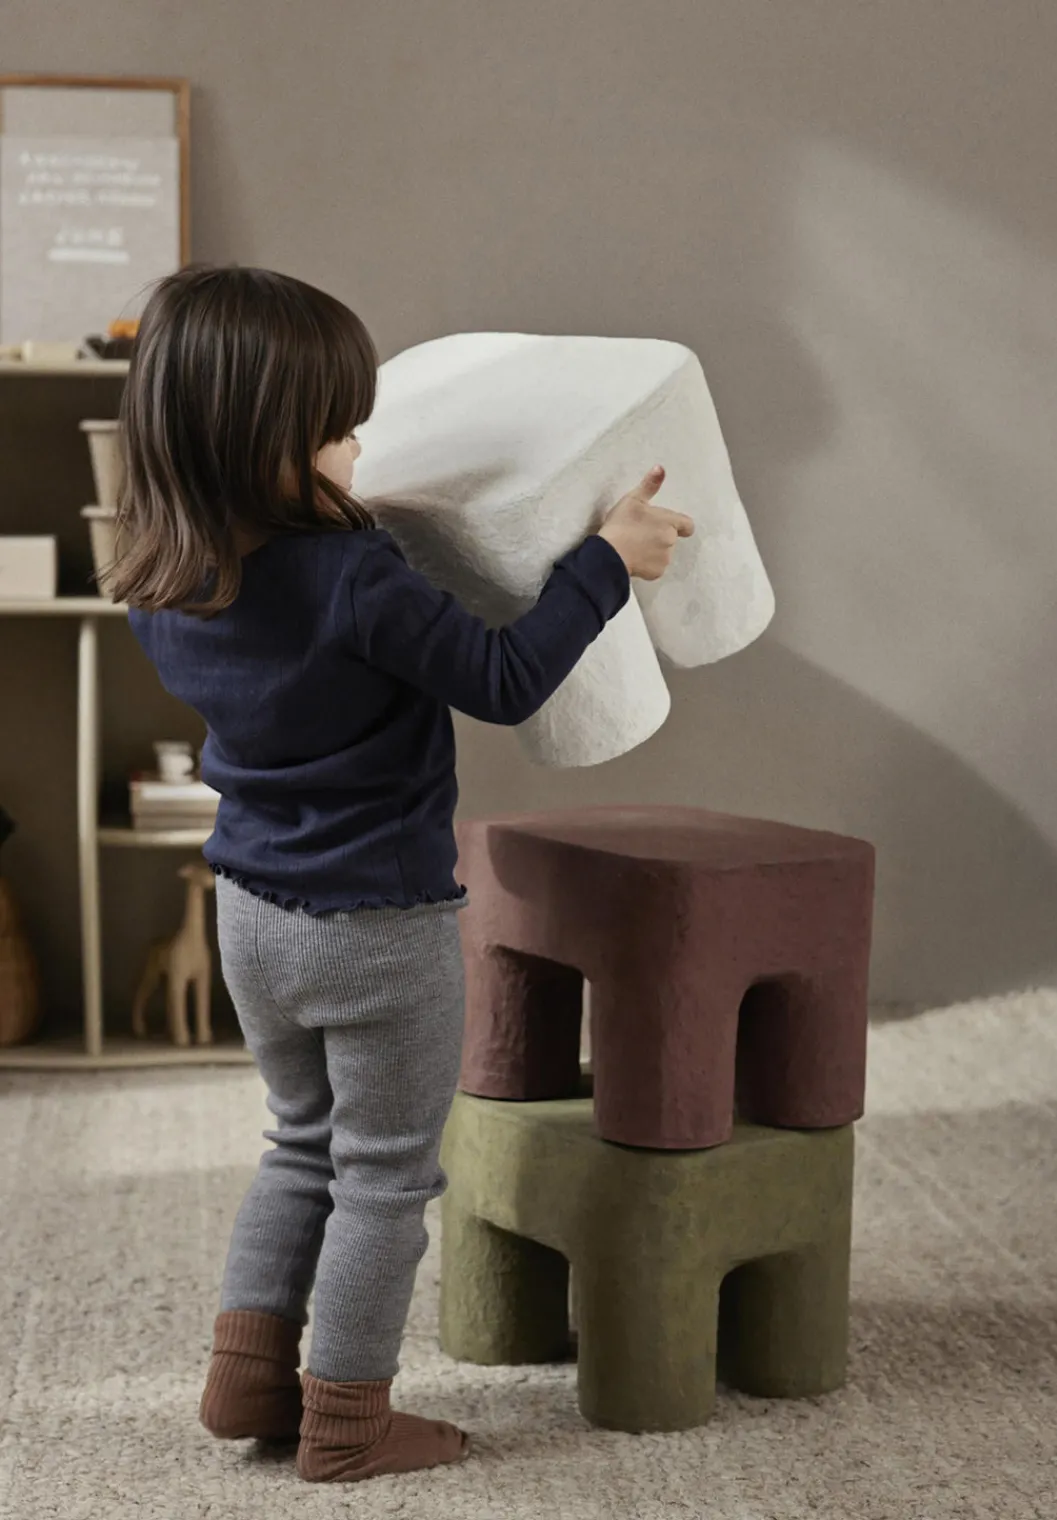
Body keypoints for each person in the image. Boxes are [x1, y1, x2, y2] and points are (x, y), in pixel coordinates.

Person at [114, 264, 694, 1485]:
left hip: (252, 914)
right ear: (261, 442)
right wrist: (608, 557)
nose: (357, 446)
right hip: (378, 928)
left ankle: (247, 1373)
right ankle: (348, 1419)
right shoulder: (357, 578)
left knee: (300, 1143)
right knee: (385, 1176)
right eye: (335, 429)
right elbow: (504, 677)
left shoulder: (160, 578)